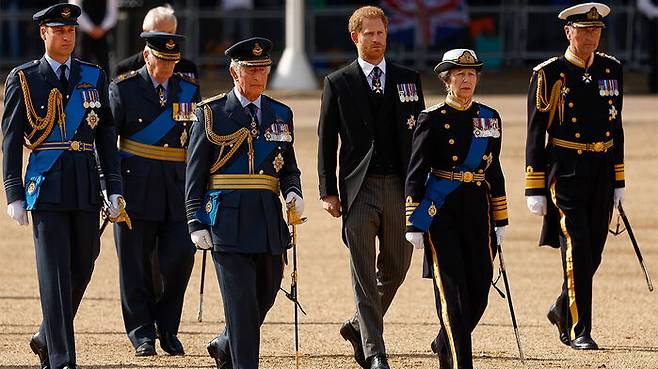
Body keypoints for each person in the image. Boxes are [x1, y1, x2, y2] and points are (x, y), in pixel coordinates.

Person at [1, 4, 125, 369]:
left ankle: (45, 335)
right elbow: (10, 140)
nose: (68, 37)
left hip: (85, 184)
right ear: (44, 34)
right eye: (60, 31)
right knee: (53, 274)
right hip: (48, 184)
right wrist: (14, 192)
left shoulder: (93, 76)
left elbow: (105, 134)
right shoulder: (25, 78)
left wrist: (113, 185)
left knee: (84, 265)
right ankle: (61, 358)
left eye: (71, 31)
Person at [317, 6, 425, 369]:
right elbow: (325, 140)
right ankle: (375, 350)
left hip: (399, 186)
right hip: (358, 189)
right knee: (362, 272)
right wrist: (327, 191)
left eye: (381, 33)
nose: (377, 40)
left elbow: (421, 139)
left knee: (397, 265)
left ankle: (356, 325)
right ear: (355, 38)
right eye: (370, 34)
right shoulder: (338, 82)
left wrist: (422, 185)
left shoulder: (408, 78)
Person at [186, 37, 304, 369]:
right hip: (227, 221)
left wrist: (293, 190)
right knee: (240, 307)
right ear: (235, 72)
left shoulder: (281, 113)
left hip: (268, 222)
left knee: (263, 296)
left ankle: (225, 344)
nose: (258, 76)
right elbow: (194, 174)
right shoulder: (210, 113)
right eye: (251, 69)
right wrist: (195, 220)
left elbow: (288, 167)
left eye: (263, 69)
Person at [525, 2, 625, 350]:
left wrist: (620, 180)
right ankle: (581, 328)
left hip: (602, 169)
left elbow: (617, 127)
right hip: (565, 170)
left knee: (593, 252)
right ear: (568, 32)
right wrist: (533, 186)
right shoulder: (549, 73)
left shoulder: (612, 69)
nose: (591, 36)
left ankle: (560, 306)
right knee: (577, 247)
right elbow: (536, 132)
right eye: (584, 30)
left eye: (596, 30)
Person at [404, 49, 508, 369]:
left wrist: (500, 216)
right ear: (446, 79)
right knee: (453, 294)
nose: (467, 80)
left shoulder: (489, 117)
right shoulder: (431, 119)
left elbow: (494, 170)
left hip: (477, 209)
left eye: (472, 74)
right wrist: (413, 220)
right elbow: (416, 171)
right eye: (460, 75)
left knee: (480, 287)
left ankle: (443, 340)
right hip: (441, 211)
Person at [108, 31, 200, 357]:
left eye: (172, 61)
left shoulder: (188, 89)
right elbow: (107, 144)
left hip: (176, 188)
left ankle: (168, 327)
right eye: (161, 60)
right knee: (134, 265)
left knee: (180, 258)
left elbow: (197, 141)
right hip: (135, 188)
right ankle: (141, 333)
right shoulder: (123, 88)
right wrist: (110, 187)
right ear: (147, 56)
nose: (167, 67)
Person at [114, 5, 198, 79]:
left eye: (170, 32)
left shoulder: (187, 68)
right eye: (161, 33)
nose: (167, 38)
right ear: (146, 32)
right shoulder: (127, 68)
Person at [69, 0, 118, 75]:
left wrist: (102, 28)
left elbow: (112, 12)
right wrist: (90, 28)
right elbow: (75, 9)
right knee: (82, 64)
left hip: (103, 35)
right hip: (83, 35)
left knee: (104, 65)